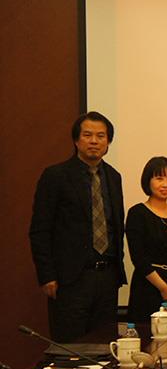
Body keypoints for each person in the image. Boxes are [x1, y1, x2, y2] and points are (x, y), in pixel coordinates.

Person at [29, 111, 126, 342]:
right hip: (70, 279)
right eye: (87, 135)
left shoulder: (114, 177)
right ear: (76, 140)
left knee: (103, 345)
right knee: (70, 347)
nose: (94, 141)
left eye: (101, 136)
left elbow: (115, 225)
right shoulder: (55, 176)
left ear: (108, 142)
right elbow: (40, 230)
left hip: (107, 277)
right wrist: (47, 275)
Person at [125, 156, 167, 322]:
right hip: (148, 287)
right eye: (159, 178)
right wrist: (163, 288)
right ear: (148, 181)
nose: (165, 184)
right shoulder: (137, 213)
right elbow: (138, 257)